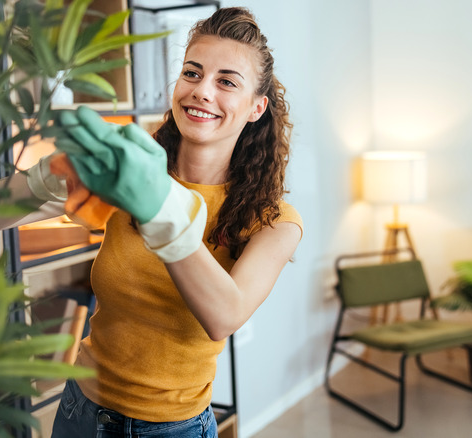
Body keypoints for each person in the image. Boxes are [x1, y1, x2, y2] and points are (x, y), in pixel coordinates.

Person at [43, 7, 303, 437]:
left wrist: (156, 206)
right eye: (192, 73)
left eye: (226, 82)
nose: (202, 91)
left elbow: (225, 315)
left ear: (257, 107)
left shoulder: (274, 221)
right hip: (78, 412)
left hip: (171, 429)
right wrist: (42, 182)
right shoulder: (133, 166)